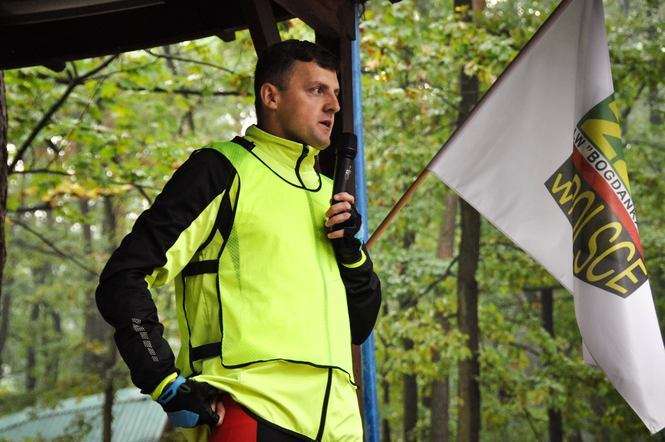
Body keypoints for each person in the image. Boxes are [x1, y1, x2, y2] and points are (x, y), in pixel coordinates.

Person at [95, 39, 382, 441]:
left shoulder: (331, 197)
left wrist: (351, 253)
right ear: (271, 96)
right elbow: (123, 277)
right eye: (317, 90)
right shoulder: (220, 170)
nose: (333, 105)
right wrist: (163, 381)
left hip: (340, 426)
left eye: (335, 93)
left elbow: (360, 325)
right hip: (250, 410)